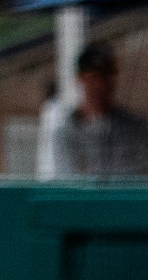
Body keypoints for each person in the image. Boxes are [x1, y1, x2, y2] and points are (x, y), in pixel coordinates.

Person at [40, 43, 148, 180]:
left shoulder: (135, 129)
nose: (100, 86)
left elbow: (140, 177)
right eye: (93, 78)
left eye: (105, 78)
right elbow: (70, 182)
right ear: (81, 79)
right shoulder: (66, 134)